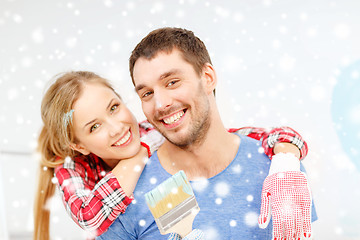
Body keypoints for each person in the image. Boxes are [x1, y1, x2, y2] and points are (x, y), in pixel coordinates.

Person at [98, 27, 316, 240]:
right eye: (147, 93)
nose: (160, 103)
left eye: (172, 82)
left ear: (208, 77)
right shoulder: (127, 194)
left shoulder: (280, 171)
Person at [33, 71, 306, 240]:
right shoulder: (71, 168)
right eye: (94, 126)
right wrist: (137, 156)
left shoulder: (150, 131)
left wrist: (286, 157)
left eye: (114, 108)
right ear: (79, 145)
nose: (116, 128)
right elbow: (89, 216)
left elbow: (238, 136)